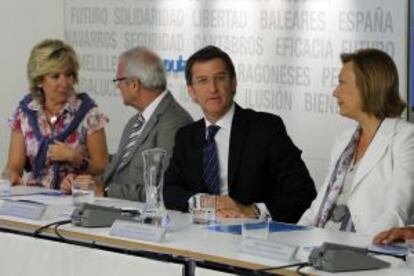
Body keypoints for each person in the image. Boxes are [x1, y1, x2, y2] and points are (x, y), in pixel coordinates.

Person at [163, 45, 316, 222]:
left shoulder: (266, 128)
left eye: (220, 78)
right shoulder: (186, 136)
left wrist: (251, 211)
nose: (212, 89)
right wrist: (205, 203)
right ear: (191, 91)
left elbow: (303, 192)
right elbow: (169, 189)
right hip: (197, 235)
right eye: (202, 81)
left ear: (234, 82)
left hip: (252, 237)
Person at [298, 48, 414, 234]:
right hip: (324, 245)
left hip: (368, 249)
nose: (335, 93)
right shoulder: (343, 141)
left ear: (368, 86)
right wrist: (294, 238)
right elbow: (317, 210)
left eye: (342, 83)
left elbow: (397, 211)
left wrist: (363, 246)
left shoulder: (405, 137)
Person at [63, 47, 193, 201]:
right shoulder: (135, 122)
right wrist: (81, 181)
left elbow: (163, 189)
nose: (118, 87)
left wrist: (105, 190)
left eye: (118, 81)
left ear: (134, 84)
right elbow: (118, 168)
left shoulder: (174, 122)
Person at [5, 39, 109, 190]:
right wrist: (10, 176)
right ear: (39, 80)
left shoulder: (90, 113)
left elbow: (102, 168)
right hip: (34, 197)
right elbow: (13, 167)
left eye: (68, 75)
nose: (65, 83)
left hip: (74, 199)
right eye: (55, 76)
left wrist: (75, 158)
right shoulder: (25, 112)